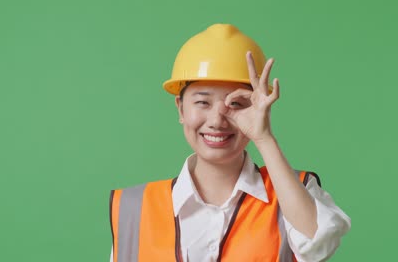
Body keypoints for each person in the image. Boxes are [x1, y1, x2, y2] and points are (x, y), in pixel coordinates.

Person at [109, 23, 351, 262]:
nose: (217, 120)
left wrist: (264, 138)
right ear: (180, 108)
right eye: (203, 102)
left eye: (236, 104)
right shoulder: (134, 209)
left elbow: (319, 243)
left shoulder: (293, 192)